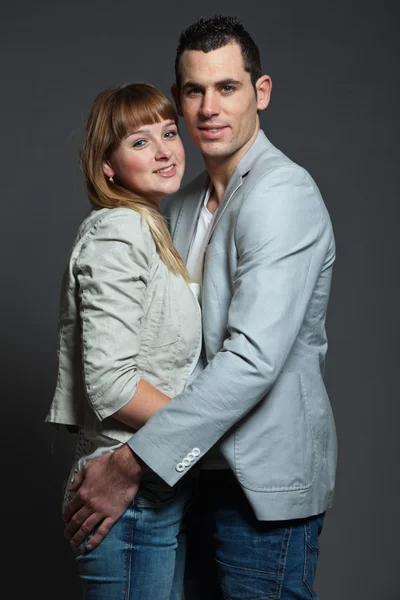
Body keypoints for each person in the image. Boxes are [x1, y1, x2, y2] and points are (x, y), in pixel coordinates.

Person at [62, 15, 337, 599]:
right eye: (194, 90)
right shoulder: (175, 206)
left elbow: (252, 360)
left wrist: (132, 462)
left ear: (260, 93)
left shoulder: (282, 193)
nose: (210, 107)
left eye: (228, 87)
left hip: (257, 485)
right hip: (188, 476)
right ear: (181, 102)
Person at [45, 82, 203, 599]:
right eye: (139, 142)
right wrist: (211, 429)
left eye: (169, 132)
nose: (164, 151)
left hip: (153, 486)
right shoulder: (119, 232)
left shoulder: (150, 230)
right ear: (106, 165)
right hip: (127, 490)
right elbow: (112, 387)